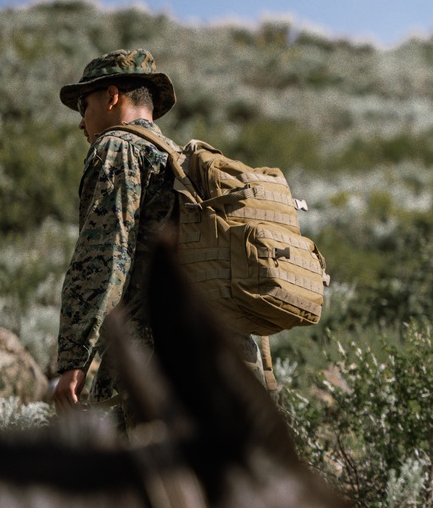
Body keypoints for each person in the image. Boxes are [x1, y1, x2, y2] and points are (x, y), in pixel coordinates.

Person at [51, 49, 275, 407]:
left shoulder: (116, 148)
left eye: (84, 105)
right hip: (225, 355)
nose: (81, 122)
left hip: (156, 359)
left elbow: (106, 257)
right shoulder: (181, 161)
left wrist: (74, 361)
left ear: (111, 97)